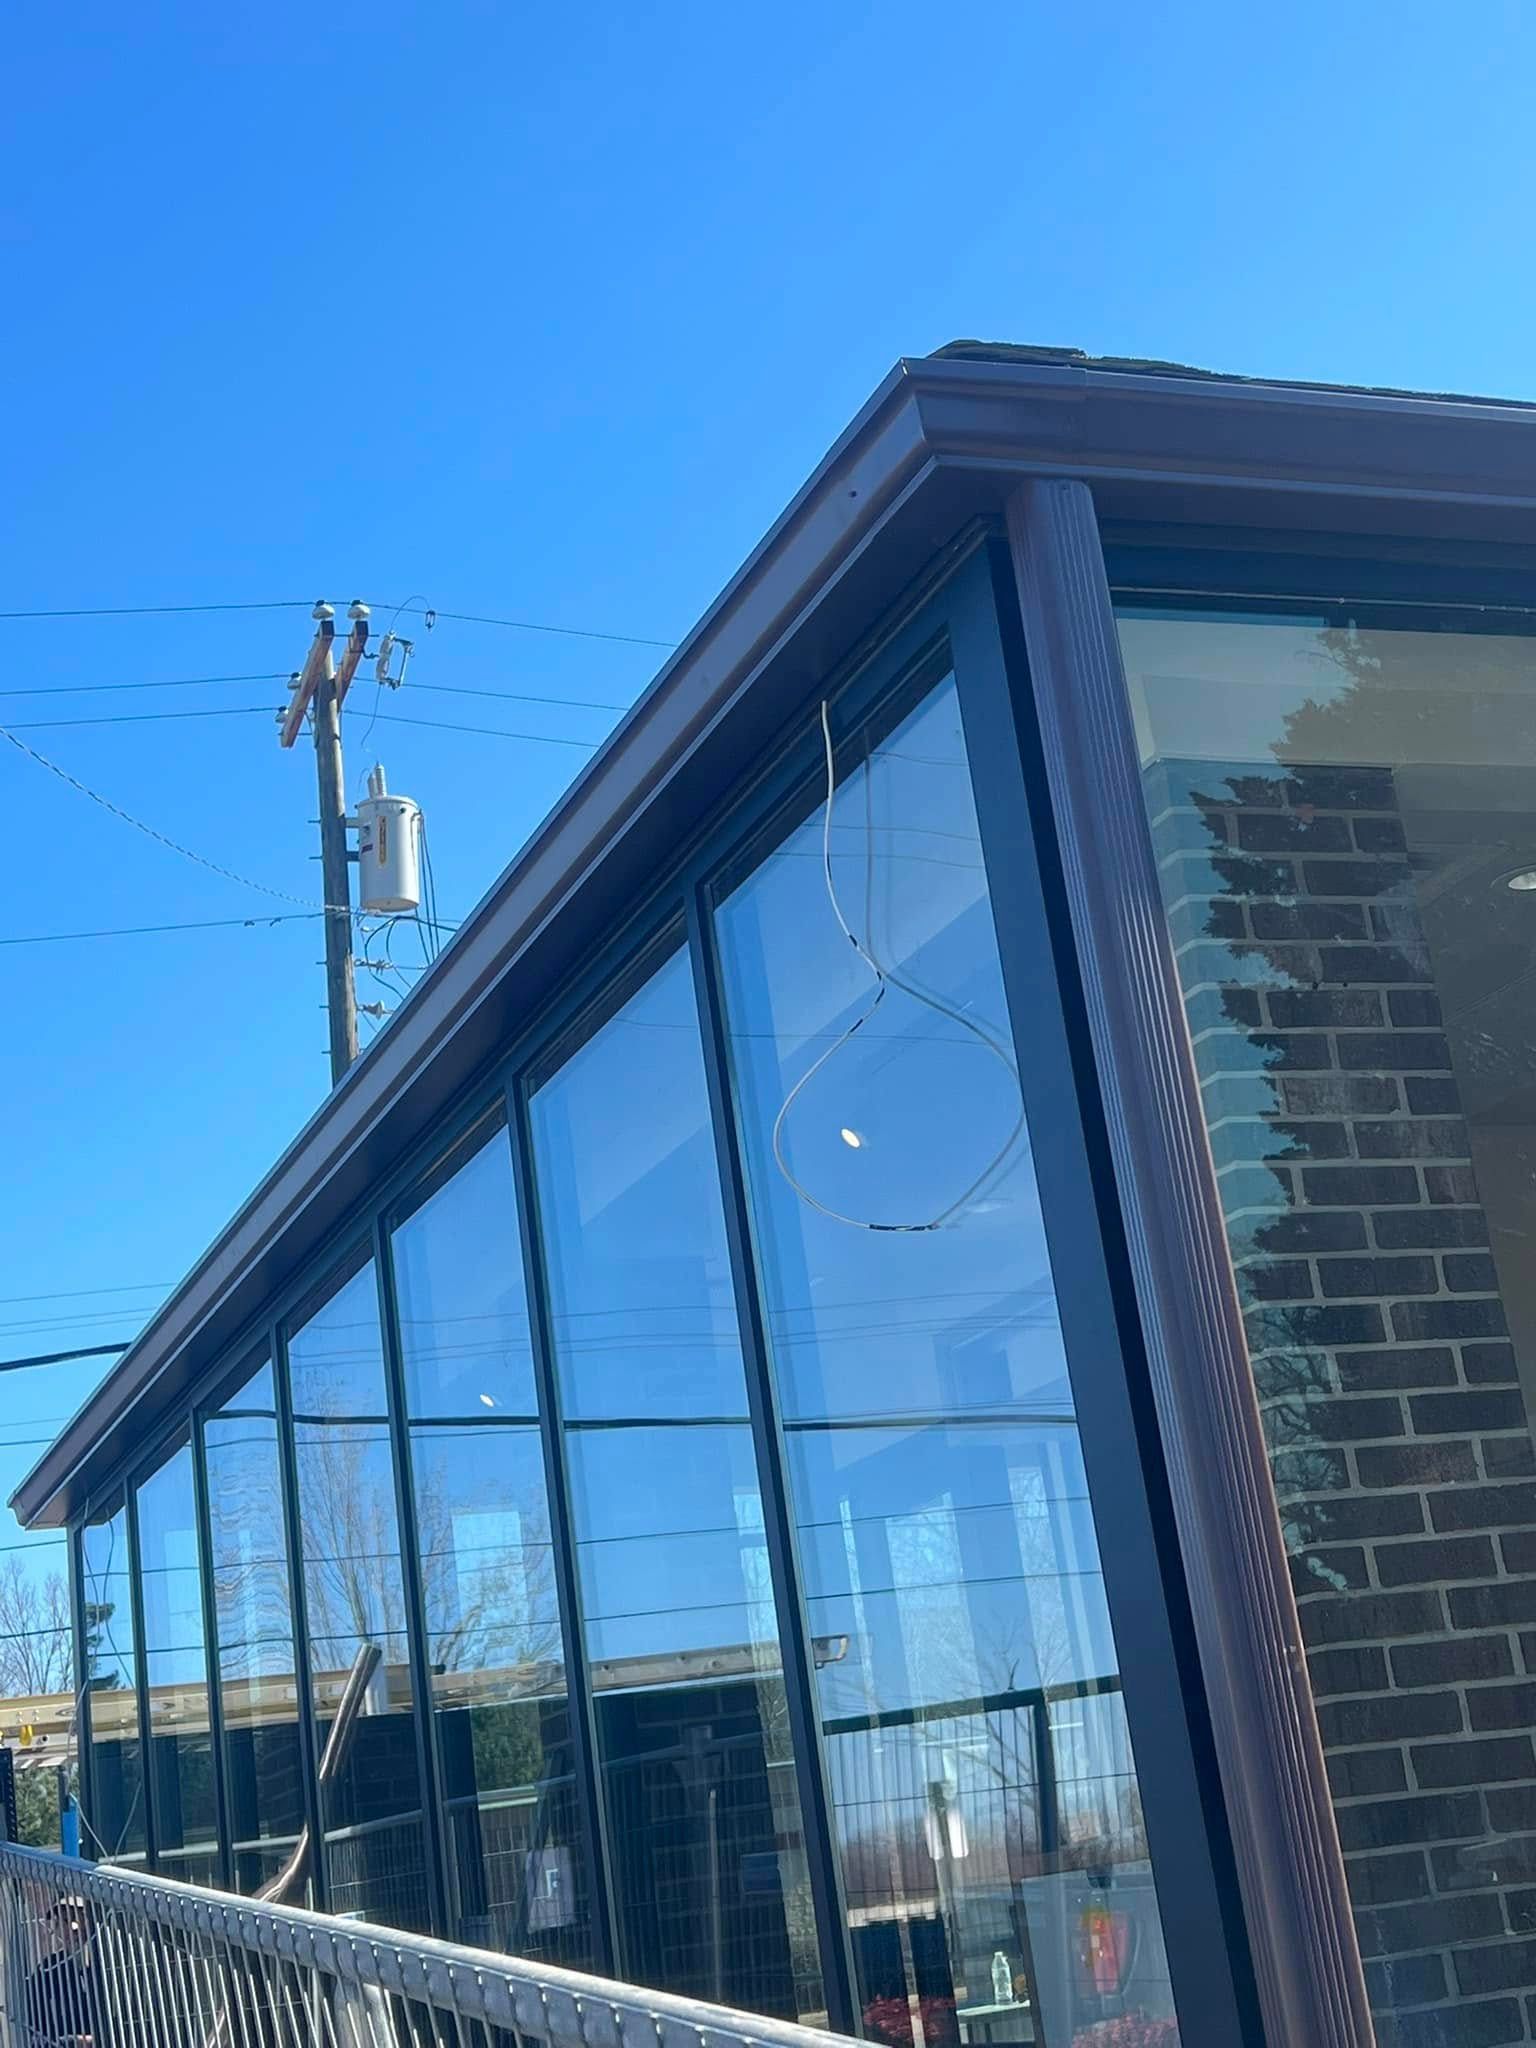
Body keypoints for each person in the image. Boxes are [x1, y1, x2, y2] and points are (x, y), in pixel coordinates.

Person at [24, 1895, 106, 2047]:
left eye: (75, 1918)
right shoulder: (50, 1968)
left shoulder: (107, 1962)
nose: (69, 1928)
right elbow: (34, 2024)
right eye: (62, 1921)